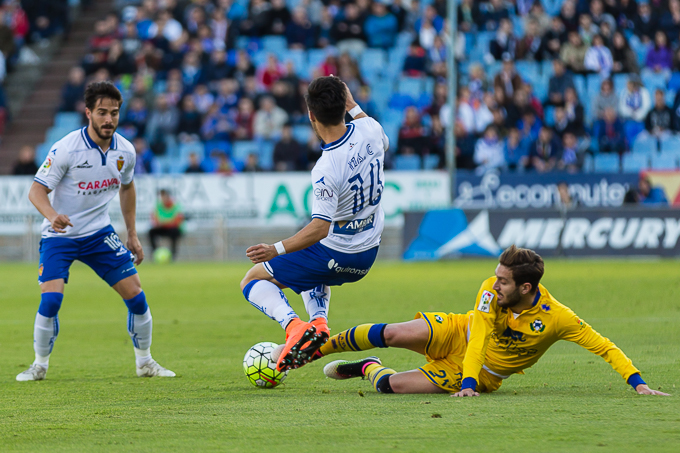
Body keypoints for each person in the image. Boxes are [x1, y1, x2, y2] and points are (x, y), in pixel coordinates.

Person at [317, 246, 669, 397]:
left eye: (503, 281)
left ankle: (368, 368)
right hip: (460, 331)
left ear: (526, 287)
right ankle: (313, 349)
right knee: (391, 332)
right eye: (496, 276)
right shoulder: (489, 291)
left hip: (485, 373)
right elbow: (480, 336)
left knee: (390, 388)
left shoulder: (558, 319)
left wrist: (638, 383)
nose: (494, 283)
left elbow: (603, 346)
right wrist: (466, 384)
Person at [18, 81, 174, 381]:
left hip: (99, 234)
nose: (109, 120)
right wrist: (52, 216)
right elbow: (36, 191)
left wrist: (132, 233)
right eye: (102, 113)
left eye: (114, 113)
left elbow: (127, 188)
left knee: (137, 296)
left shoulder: (125, 151)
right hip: (59, 236)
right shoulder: (66, 148)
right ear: (88, 113)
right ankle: (39, 365)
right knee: (51, 301)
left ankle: (145, 362)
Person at [240, 76, 387, 372]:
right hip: (369, 250)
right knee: (310, 267)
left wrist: (275, 249)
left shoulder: (326, 166)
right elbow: (361, 117)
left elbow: (320, 227)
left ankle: (293, 326)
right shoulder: (370, 128)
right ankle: (318, 323)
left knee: (252, 280)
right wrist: (348, 98)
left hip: (338, 251)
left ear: (311, 115)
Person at [149, 189, 184, 260]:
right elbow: (155, 220)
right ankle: (155, 253)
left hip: (173, 229)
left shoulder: (176, 206)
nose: (162, 198)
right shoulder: (158, 206)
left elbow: (177, 222)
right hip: (163, 228)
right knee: (151, 232)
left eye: (164, 196)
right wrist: (166, 222)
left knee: (174, 232)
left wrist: (164, 222)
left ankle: (173, 255)